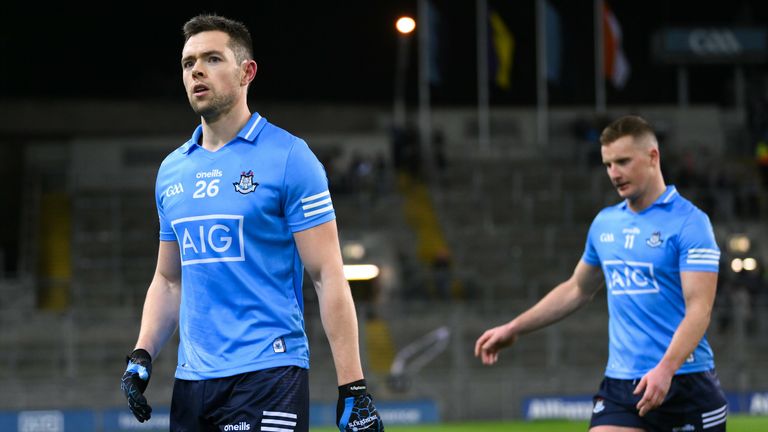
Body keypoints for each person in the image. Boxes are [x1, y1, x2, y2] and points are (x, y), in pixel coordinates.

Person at [119, 14, 384, 432]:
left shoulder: (290, 158)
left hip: (269, 375)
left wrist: (353, 387)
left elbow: (327, 274)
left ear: (247, 72)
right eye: (188, 63)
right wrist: (142, 353)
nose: (197, 71)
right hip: (192, 384)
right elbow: (169, 280)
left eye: (212, 59)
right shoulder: (172, 171)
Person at [475, 115, 727, 431]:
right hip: (622, 385)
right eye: (608, 164)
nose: (614, 174)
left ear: (653, 157)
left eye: (622, 161)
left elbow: (699, 310)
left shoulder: (690, 223)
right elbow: (577, 289)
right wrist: (514, 327)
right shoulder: (606, 224)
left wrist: (666, 369)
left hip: (685, 383)